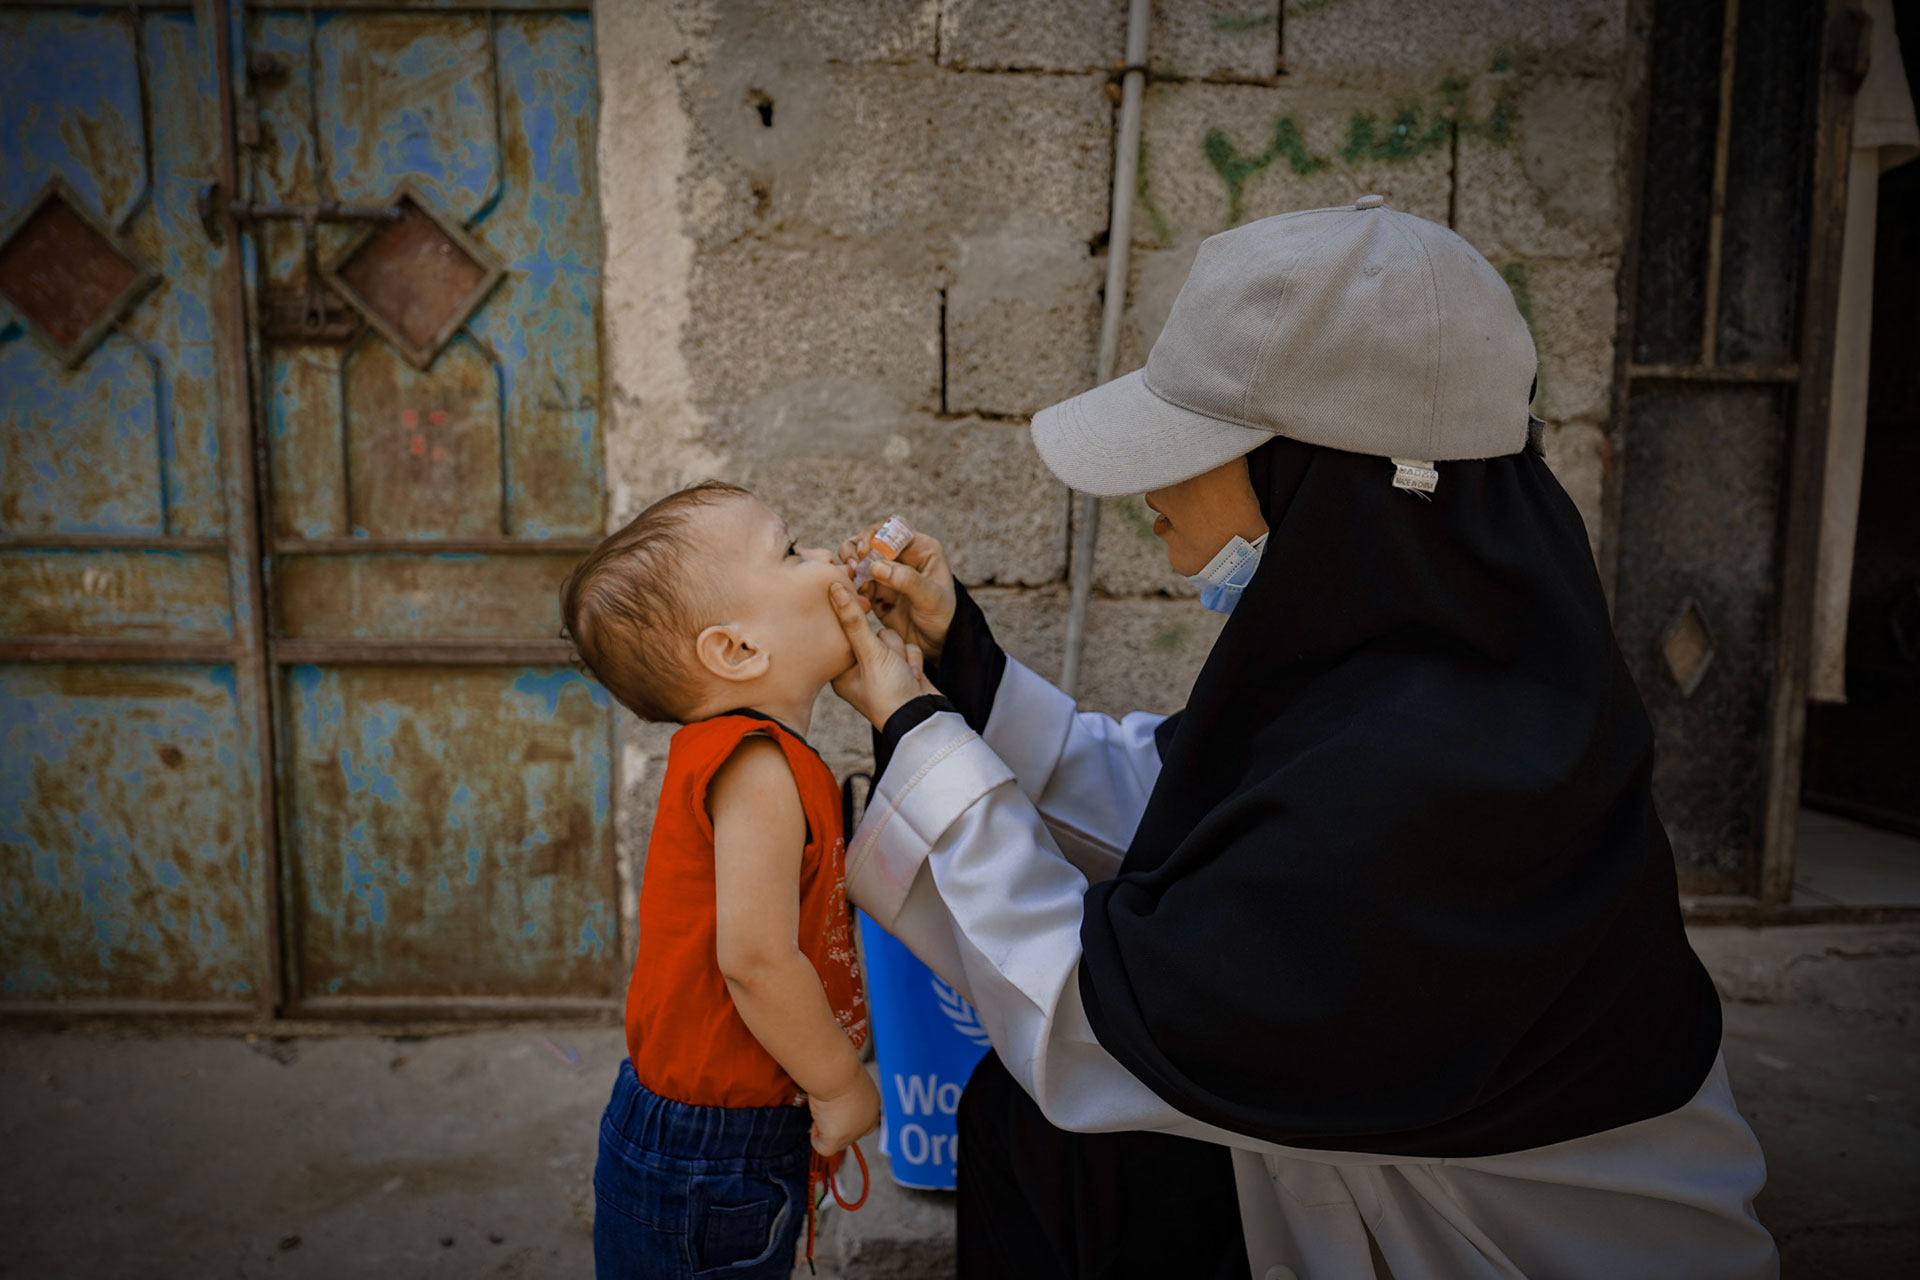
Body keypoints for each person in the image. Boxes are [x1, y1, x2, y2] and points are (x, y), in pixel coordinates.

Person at [828, 200, 1780, 1278]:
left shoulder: (1428, 780)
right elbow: (1190, 805)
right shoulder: (1433, 671)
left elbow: (1091, 1027)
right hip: (1380, 1188)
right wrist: (965, 660)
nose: (1149, 487)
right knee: (1039, 1139)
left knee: (1053, 1123)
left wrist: (913, 726)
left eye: (1192, 445)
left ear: (1316, 480)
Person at [562, 482, 878, 1279]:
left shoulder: (754, 755)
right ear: (736, 650)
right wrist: (839, 1085)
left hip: (713, 1136)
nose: (823, 558)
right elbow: (757, 960)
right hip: (713, 1152)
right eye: (791, 550)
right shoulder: (758, 766)